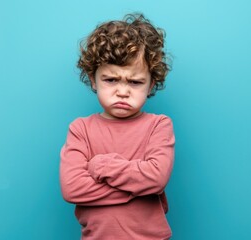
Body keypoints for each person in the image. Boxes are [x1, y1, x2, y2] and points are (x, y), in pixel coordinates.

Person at [60, 13, 174, 240]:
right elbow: (72, 188)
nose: (123, 91)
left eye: (135, 82)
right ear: (93, 79)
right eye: (111, 80)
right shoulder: (80, 129)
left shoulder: (158, 125)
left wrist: (101, 165)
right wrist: (137, 188)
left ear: (151, 83)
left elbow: (156, 178)